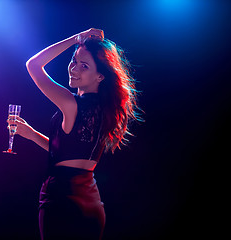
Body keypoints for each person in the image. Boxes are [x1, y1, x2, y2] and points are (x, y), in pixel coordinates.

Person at [8, 28, 141, 240]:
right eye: (74, 60)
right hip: (91, 203)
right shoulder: (106, 110)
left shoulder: (71, 104)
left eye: (84, 65)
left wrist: (74, 39)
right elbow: (68, 154)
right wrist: (32, 134)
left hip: (61, 201)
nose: (73, 68)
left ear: (100, 76)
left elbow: (33, 65)